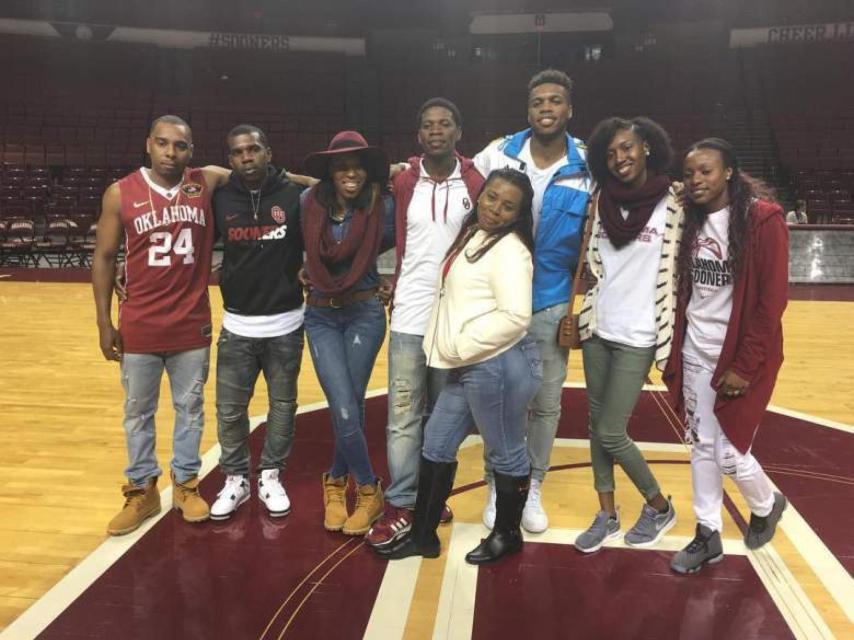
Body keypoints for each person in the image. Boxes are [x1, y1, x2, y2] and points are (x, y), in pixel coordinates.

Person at [378, 168, 541, 564]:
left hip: (494, 368)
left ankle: (507, 536)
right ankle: (422, 535)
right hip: (467, 366)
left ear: (519, 215)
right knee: (435, 443)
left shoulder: (511, 251)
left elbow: (516, 317)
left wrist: (457, 344)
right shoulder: (474, 234)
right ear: (479, 195)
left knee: (506, 453)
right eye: (491, 198)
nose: (495, 209)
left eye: (508, 207)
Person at [93, 115, 230, 535]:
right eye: (164, 144)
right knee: (137, 412)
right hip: (140, 325)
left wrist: (318, 182)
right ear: (148, 144)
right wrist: (103, 322)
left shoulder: (204, 181)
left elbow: (263, 172)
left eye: (181, 146)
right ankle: (142, 490)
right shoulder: (121, 192)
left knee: (190, 409)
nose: (172, 153)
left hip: (191, 323)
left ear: (191, 149)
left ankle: (186, 485)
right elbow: (104, 257)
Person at [473, 69, 591, 533]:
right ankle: (496, 482)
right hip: (497, 298)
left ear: (569, 109)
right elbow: (455, 181)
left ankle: (533, 485)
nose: (547, 108)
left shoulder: (588, 166)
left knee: (544, 402)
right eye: (539, 101)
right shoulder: (498, 153)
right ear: (528, 110)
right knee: (498, 399)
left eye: (556, 100)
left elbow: (597, 239)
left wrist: (580, 309)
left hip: (552, 302)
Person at [365, 98, 485, 551]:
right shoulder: (404, 181)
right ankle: (402, 502)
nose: (436, 131)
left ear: (458, 131)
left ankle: (431, 496)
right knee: (402, 416)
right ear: (419, 135)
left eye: (445, 124)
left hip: (454, 320)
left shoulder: (475, 181)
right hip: (410, 318)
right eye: (428, 125)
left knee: (441, 418)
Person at [665, 137, 789, 574]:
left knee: (731, 454)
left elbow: (771, 302)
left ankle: (767, 502)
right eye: (689, 173)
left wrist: (744, 365)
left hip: (739, 356)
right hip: (696, 347)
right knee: (700, 445)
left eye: (706, 171)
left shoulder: (762, 220)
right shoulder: (688, 219)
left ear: (730, 172)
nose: (696, 180)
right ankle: (707, 532)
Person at [572, 117, 682, 553]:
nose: (620, 158)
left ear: (647, 148)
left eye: (628, 148)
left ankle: (658, 506)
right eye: (612, 152)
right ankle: (606, 514)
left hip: (640, 333)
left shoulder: (673, 203)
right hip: (599, 327)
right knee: (595, 427)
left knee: (612, 430)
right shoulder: (602, 200)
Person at [208, 125, 306, 521]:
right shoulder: (220, 197)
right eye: (237, 153)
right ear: (229, 159)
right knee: (230, 411)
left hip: (285, 323)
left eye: (253, 149)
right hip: (237, 325)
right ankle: (236, 479)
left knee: (282, 407)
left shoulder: (295, 194)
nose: (246, 157)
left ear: (268, 151)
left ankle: (269, 474)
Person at [301, 131, 394, 536]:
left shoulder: (382, 205)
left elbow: (412, 245)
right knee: (343, 405)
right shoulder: (307, 203)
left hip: (364, 313)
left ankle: (338, 481)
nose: (350, 172)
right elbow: (285, 244)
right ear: (329, 172)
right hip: (320, 315)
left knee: (349, 405)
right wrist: (295, 269)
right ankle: (368, 487)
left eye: (357, 165)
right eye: (341, 165)